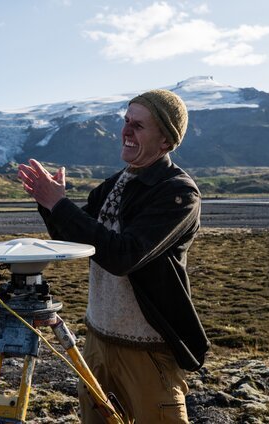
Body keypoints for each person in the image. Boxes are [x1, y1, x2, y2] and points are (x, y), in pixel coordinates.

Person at [18, 89, 210, 423]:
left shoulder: (177, 192)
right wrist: (49, 204)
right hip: (97, 340)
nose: (125, 131)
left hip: (148, 349)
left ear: (166, 139)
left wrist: (59, 204)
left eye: (138, 125)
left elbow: (124, 256)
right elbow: (73, 242)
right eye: (126, 121)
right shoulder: (113, 185)